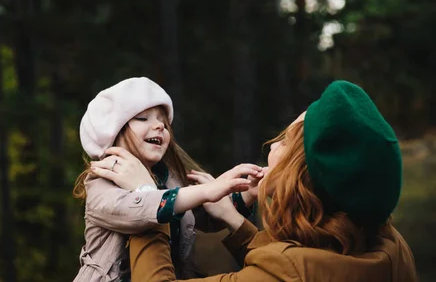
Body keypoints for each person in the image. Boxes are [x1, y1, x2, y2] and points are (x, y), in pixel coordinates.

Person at [106, 80, 417, 281]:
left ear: (301, 182)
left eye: (285, 141)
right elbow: (303, 267)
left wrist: (148, 199)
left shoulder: (286, 273)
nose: (271, 146)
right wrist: (236, 223)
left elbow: (287, 273)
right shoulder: (390, 247)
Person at [72, 77, 264, 281]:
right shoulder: (101, 180)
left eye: (163, 121)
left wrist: (242, 194)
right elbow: (135, 211)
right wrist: (205, 190)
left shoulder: (168, 179)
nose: (159, 126)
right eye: (143, 118)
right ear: (113, 131)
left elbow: (199, 217)